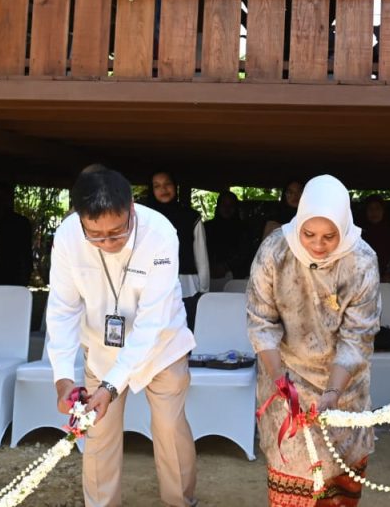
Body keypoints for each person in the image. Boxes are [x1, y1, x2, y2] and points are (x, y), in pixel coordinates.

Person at [47, 168, 197, 507]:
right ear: (79, 218)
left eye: (116, 233)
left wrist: (111, 386)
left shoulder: (160, 233)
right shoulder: (68, 237)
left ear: (131, 207)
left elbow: (151, 323)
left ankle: (181, 501)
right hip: (101, 346)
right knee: (98, 431)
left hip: (161, 345)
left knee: (169, 428)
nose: (107, 243)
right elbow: (63, 309)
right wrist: (62, 377)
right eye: (96, 235)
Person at [247, 174, 381, 507]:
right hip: (285, 379)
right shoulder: (275, 250)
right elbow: (260, 321)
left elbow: (357, 337)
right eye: (309, 234)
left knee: (339, 480)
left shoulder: (361, 261)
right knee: (292, 480)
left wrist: (333, 392)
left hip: (343, 386)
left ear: (344, 226)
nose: (318, 245)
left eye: (329, 236)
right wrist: (281, 382)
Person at [147, 171, 209, 330]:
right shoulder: (144, 218)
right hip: (151, 286)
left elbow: (200, 255)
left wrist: (204, 289)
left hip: (187, 286)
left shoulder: (191, 217)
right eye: (157, 186)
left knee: (186, 334)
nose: (163, 189)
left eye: (167, 184)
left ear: (175, 187)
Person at [0, 181, 34, 287]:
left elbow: (25, 253)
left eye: (2, 198)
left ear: (9, 200)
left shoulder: (21, 222)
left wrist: (25, 277)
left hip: (14, 274)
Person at [205, 190, 252, 284]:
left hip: (237, 278)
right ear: (218, 206)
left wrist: (226, 267)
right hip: (208, 276)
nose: (227, 208)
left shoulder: (244, 228)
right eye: (224, 204)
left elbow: (246, 252)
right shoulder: (207, 227)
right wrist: (210, 267)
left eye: (231, 205)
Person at [359, 195, 390, 283]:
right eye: (370, 209)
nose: (374, 212)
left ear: (383, 211)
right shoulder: (358, 233)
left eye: (377, 208)